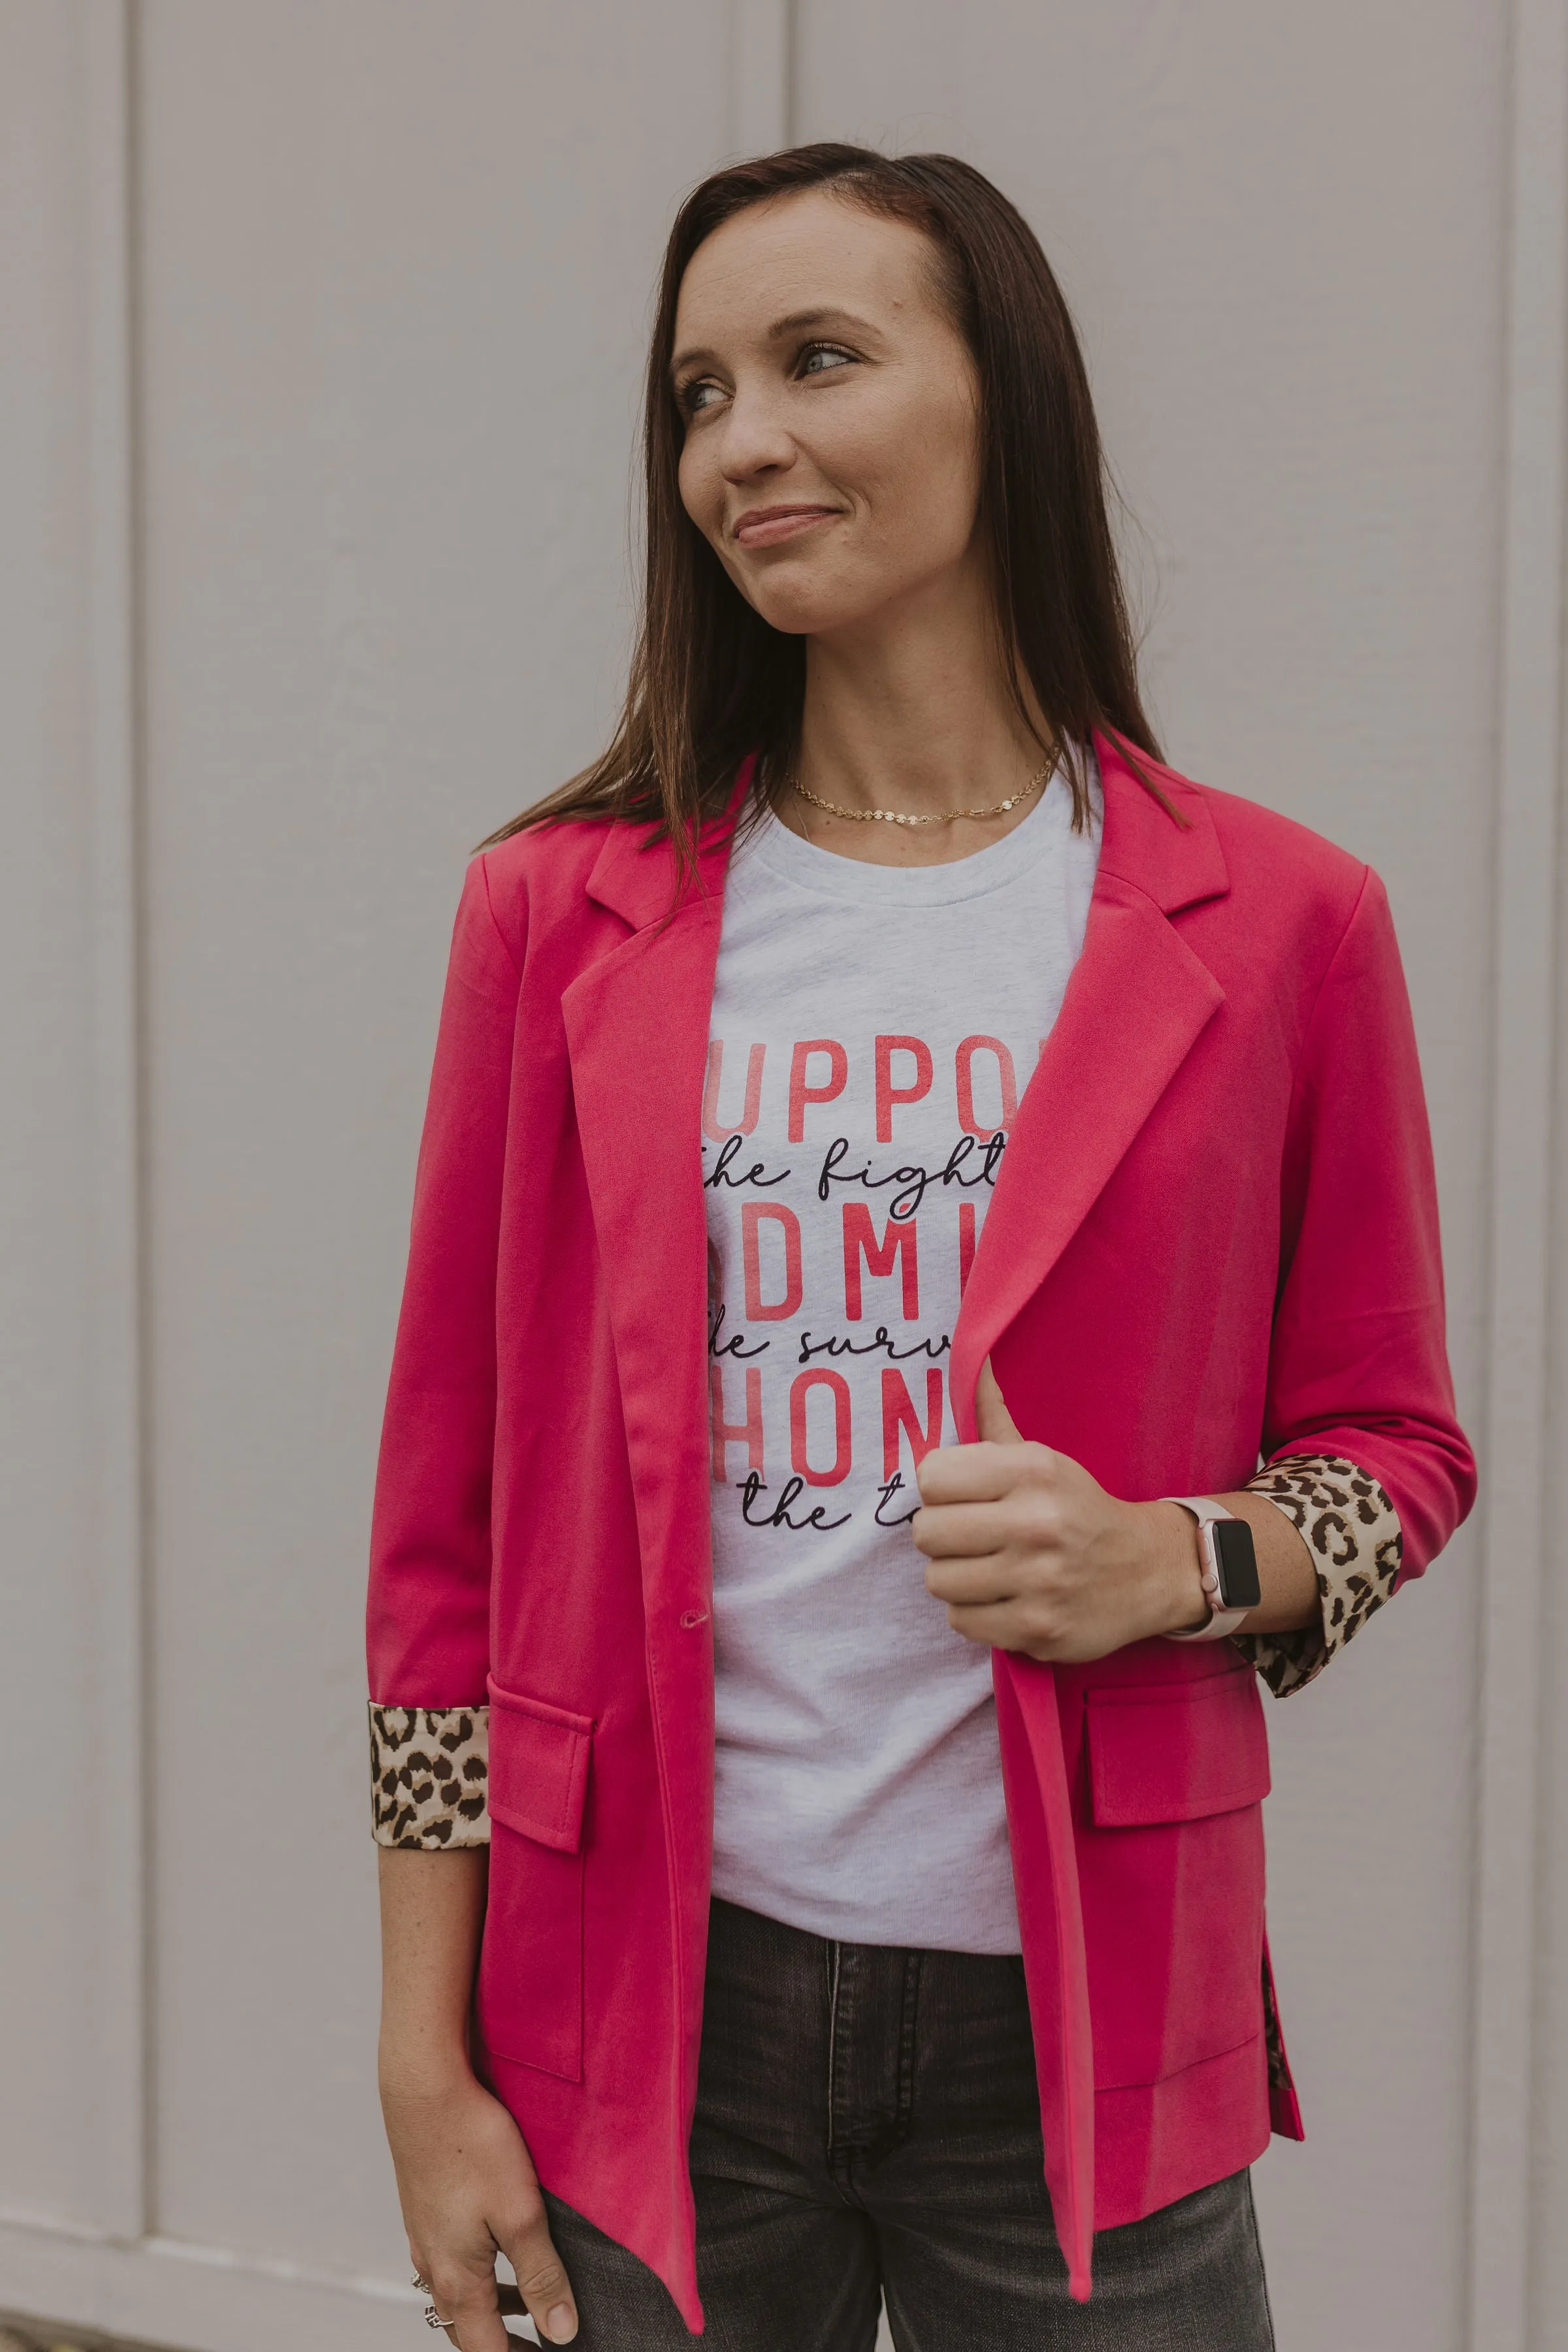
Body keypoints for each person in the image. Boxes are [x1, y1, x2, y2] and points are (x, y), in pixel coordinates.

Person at [365, 144, 1475, 2352]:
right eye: (696, 393)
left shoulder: (1280, 928)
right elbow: (446, 1533)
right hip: (649, 2009)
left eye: (819, 359)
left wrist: (1173, 1563)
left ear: (1009, 405)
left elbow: (1398, 1448)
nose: (740, 442)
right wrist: (426, 2059)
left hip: (1078, 2034)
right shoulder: (557, 919)